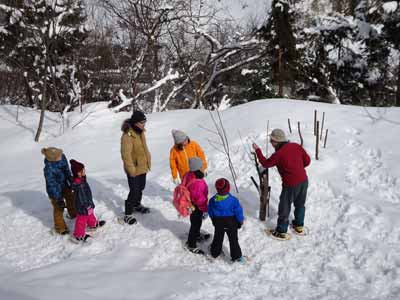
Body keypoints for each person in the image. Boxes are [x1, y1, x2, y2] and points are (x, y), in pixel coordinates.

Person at [252, 128, 311, 239]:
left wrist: (258, 150)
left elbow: (265, 163)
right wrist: (297, 167)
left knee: (284, 206)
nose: (270, 143)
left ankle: (281, 231)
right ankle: (298, 226)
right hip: (304, 180)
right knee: (300, 204)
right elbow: (307, 161)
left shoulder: (279, 154)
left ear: (277, 141)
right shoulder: (296, 146)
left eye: (271, 140)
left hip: (290, 184)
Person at [121, 110, 152, 224]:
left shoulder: (141, 132)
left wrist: (148, 160)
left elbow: (144, 148)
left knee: (141, 187)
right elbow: (126, 155)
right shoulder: (127, 135)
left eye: (145, 121)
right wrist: (131, 170)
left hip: (142, 166)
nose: (144, 124)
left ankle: (136, 204)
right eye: (142, 122)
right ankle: (128, 213)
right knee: (134, 190)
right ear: (135, 123)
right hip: (133, 168)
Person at [208, 178, 245, 262]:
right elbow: (238, 212)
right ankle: (236, 257)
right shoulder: (233, 200)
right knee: (233, 240)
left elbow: (210, 211)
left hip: (218, 223)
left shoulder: (212, 200)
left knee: (218, 238)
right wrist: (240, 220)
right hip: (231, 223)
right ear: (228, 188)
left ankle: (215, 252)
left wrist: (213, 219)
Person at [42, 147, 76, 235]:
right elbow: (51, 185)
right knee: (58, 208)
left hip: (64, 184)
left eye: (60, 154)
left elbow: (66, 170)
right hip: (54, 191)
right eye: (58, 156)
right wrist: (58, 199)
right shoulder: (48, 169)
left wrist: (71, 181)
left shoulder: (62, 157)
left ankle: (73, 213)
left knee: (70, 198)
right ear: (53, 159)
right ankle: (60, 227)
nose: (61, 156)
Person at [69, 159, 106, 242]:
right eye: (81, 171)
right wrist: (86, 205)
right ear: (76, 173)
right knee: (81, 219)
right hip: (82, 205)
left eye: (83, 170)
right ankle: (78, 235)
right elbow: (82, 196)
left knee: (90, 214)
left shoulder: (81, 180)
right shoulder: (79, 184)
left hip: (87, 202)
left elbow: (85, 190)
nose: (83, 172)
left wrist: (89, 204)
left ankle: (93, 224)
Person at [183, 157, 209, 254]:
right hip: (197, 207)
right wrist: (206, 209)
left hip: (191, 205)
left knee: (195, 222)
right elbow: (200, 200)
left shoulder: (189, 174)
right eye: (202, 166)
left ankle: (197, 235)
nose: (204, 167)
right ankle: (191, 244)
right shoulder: (198, 183)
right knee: (195, 224)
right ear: (197, 168)